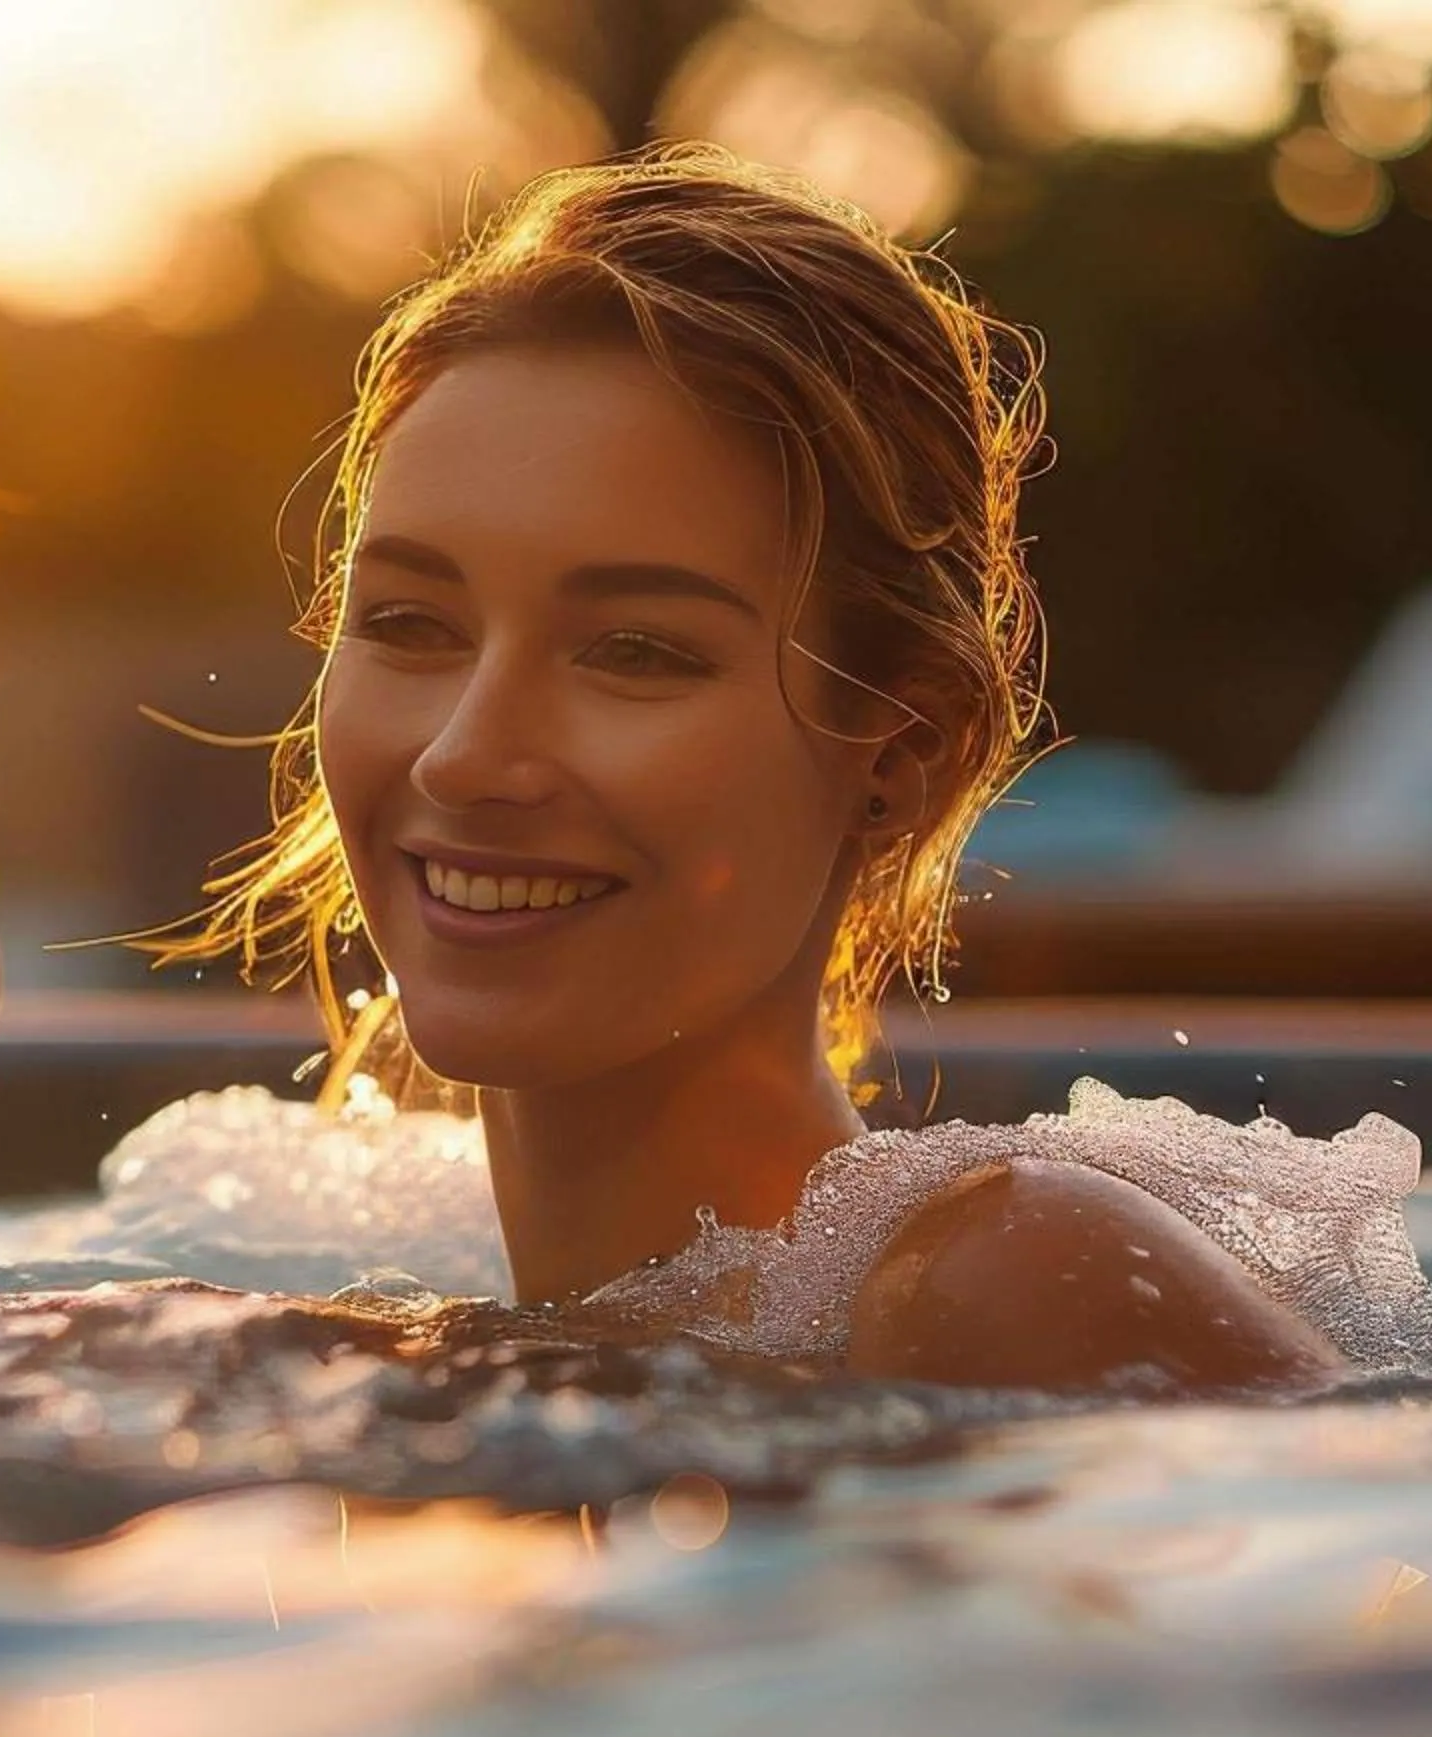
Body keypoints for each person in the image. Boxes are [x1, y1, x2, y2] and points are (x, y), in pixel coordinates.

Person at [149, 149, 1338, 1392]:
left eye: (635, 651)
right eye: (407, 623)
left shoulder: (1007, 1277)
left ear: (901, 754)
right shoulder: (344, 1270)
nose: (467, 757)